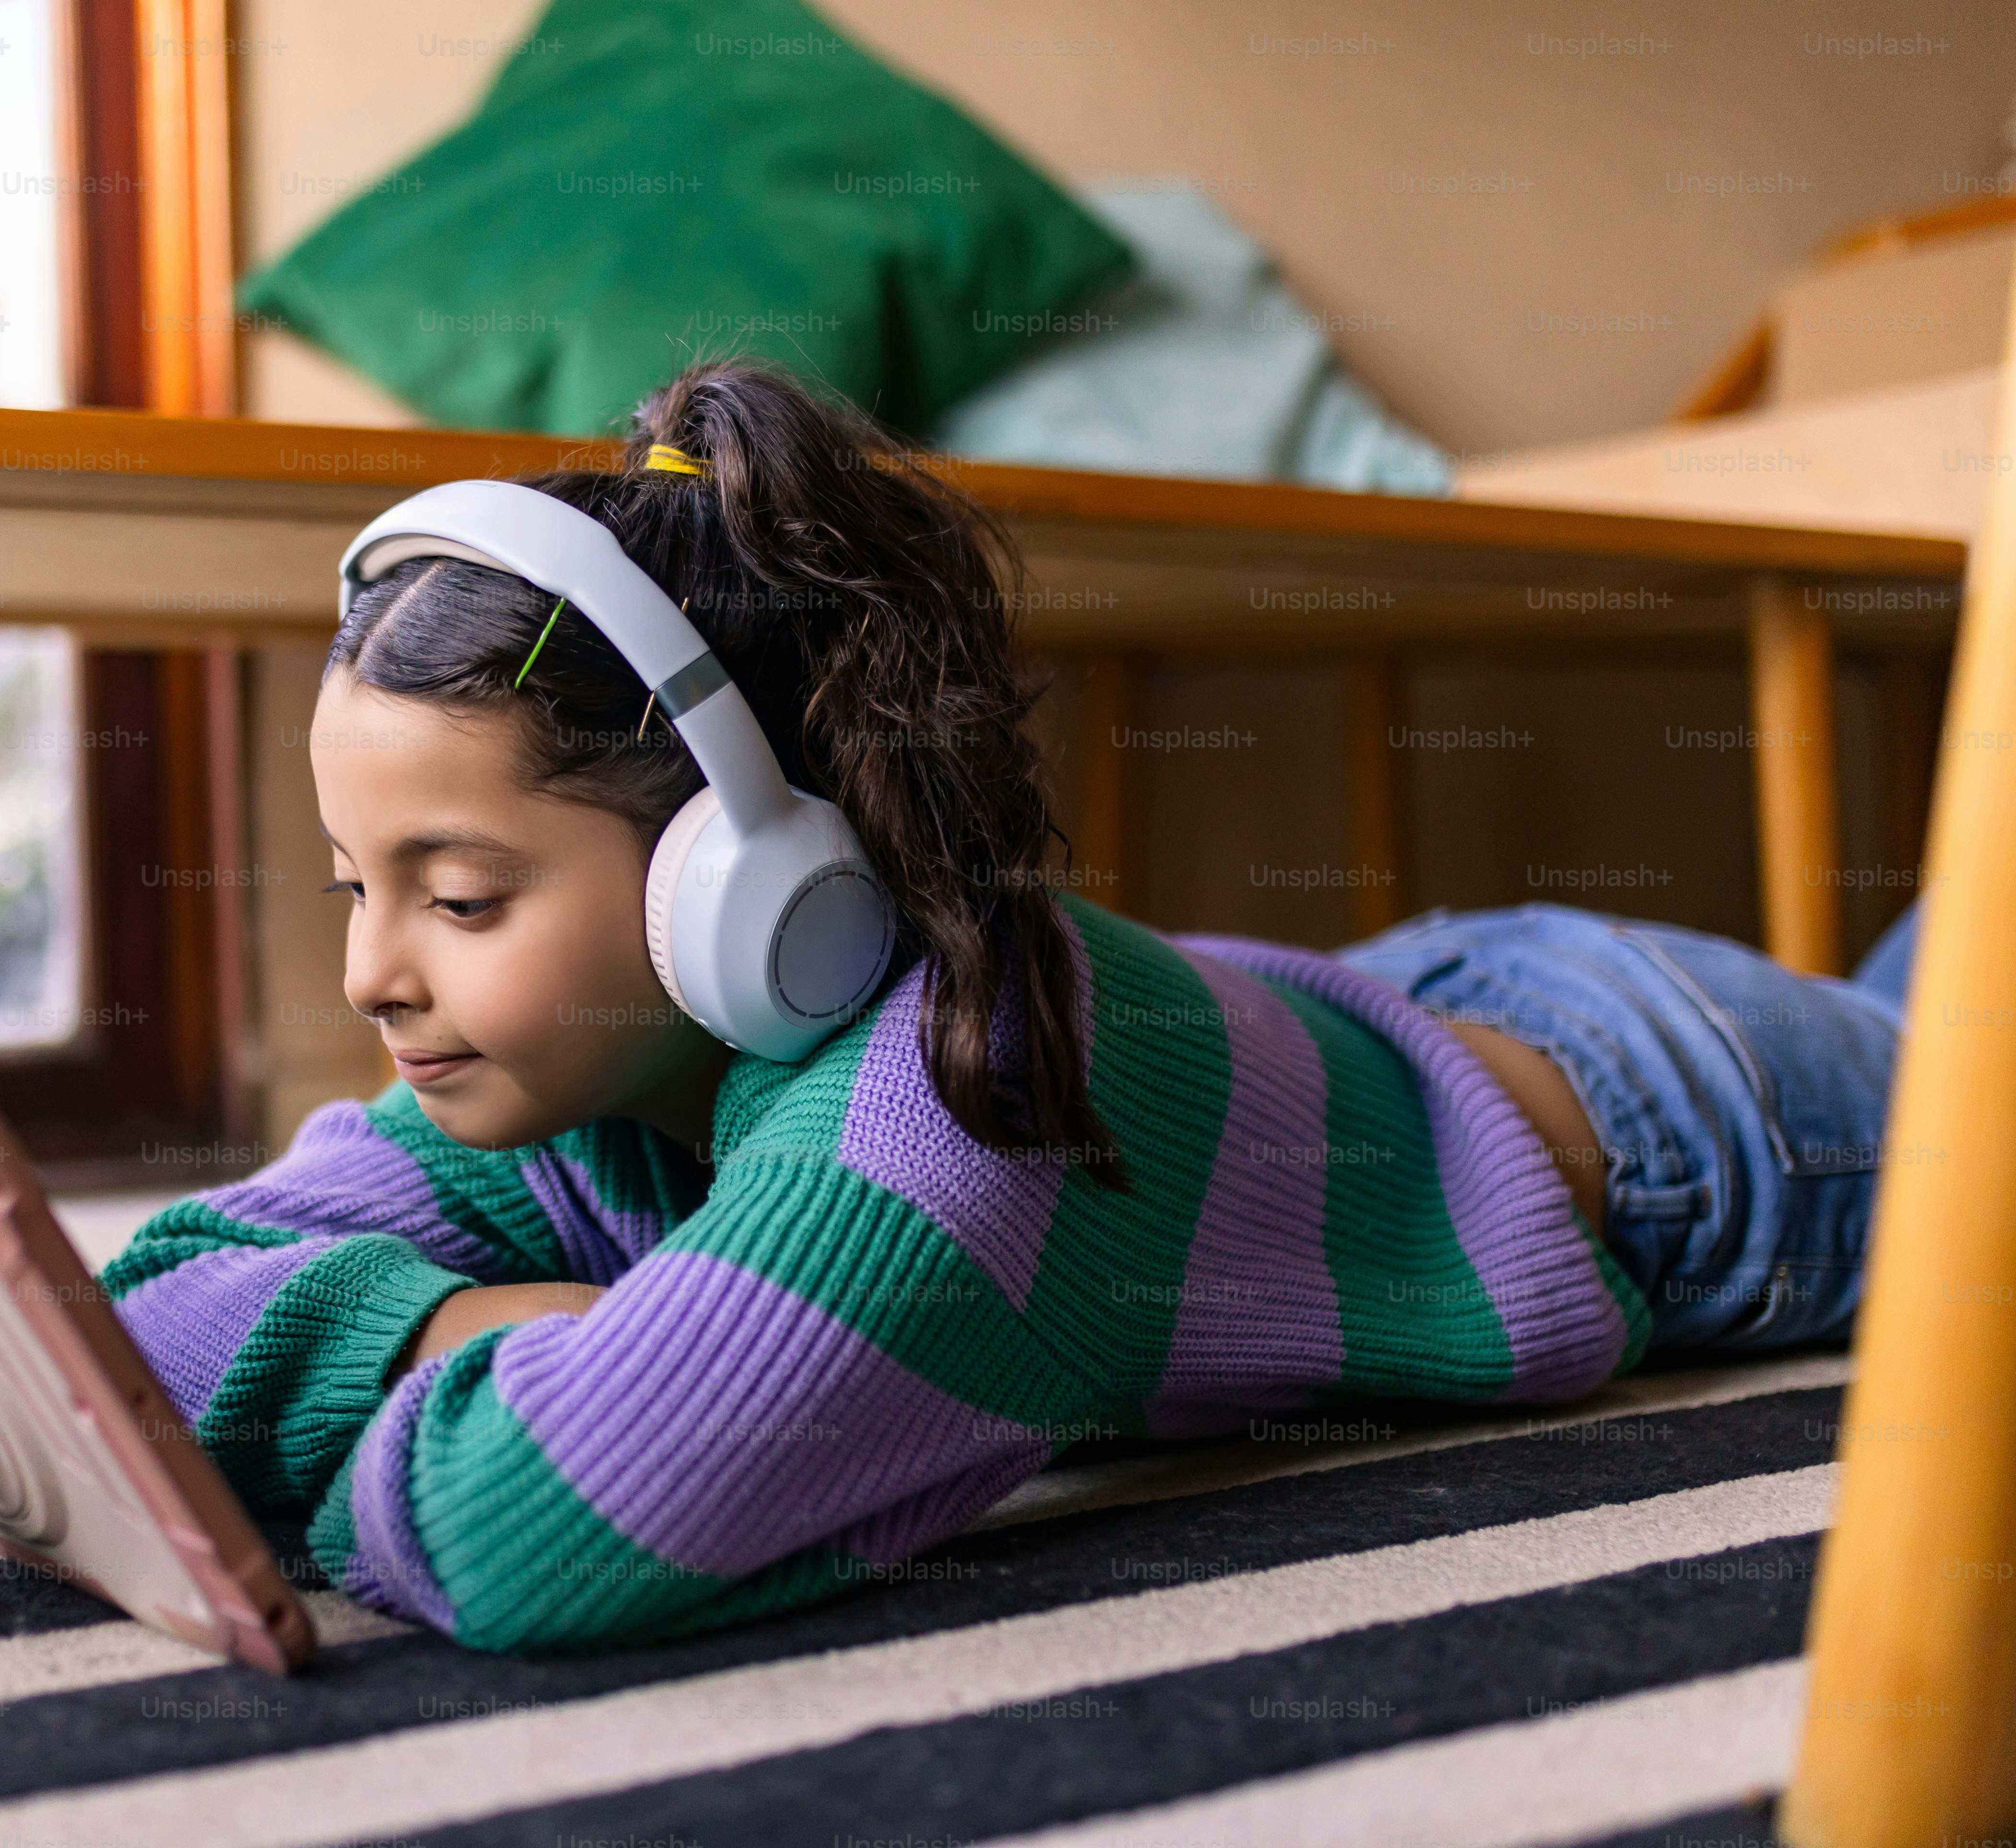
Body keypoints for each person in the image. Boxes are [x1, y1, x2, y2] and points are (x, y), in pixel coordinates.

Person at [100, 359, 1912, 1655]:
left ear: (735, 882)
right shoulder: (553, 1074)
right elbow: (138, 1320)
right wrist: (456, 1327)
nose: (372, 974)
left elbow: (527, 1531)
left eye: (460, 898)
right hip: (1397, 1011)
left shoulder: (955, 1115)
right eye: (353, 886)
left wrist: (303, 1435)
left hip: (1685, 1126)